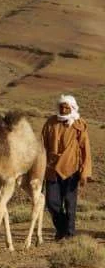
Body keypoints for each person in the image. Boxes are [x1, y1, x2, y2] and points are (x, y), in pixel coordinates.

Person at [42, 94, 92, 240]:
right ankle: (62, 228)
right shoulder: (50, 123)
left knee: (70, 205)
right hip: (51, 169)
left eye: (66, 107)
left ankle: (68, 233)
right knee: (51, 203)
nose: (63, 110)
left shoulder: (79, 125)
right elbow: (42, 145)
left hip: (72, 169)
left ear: (72, 108)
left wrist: (84, 172)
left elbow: (85, 150)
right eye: (61, 107)